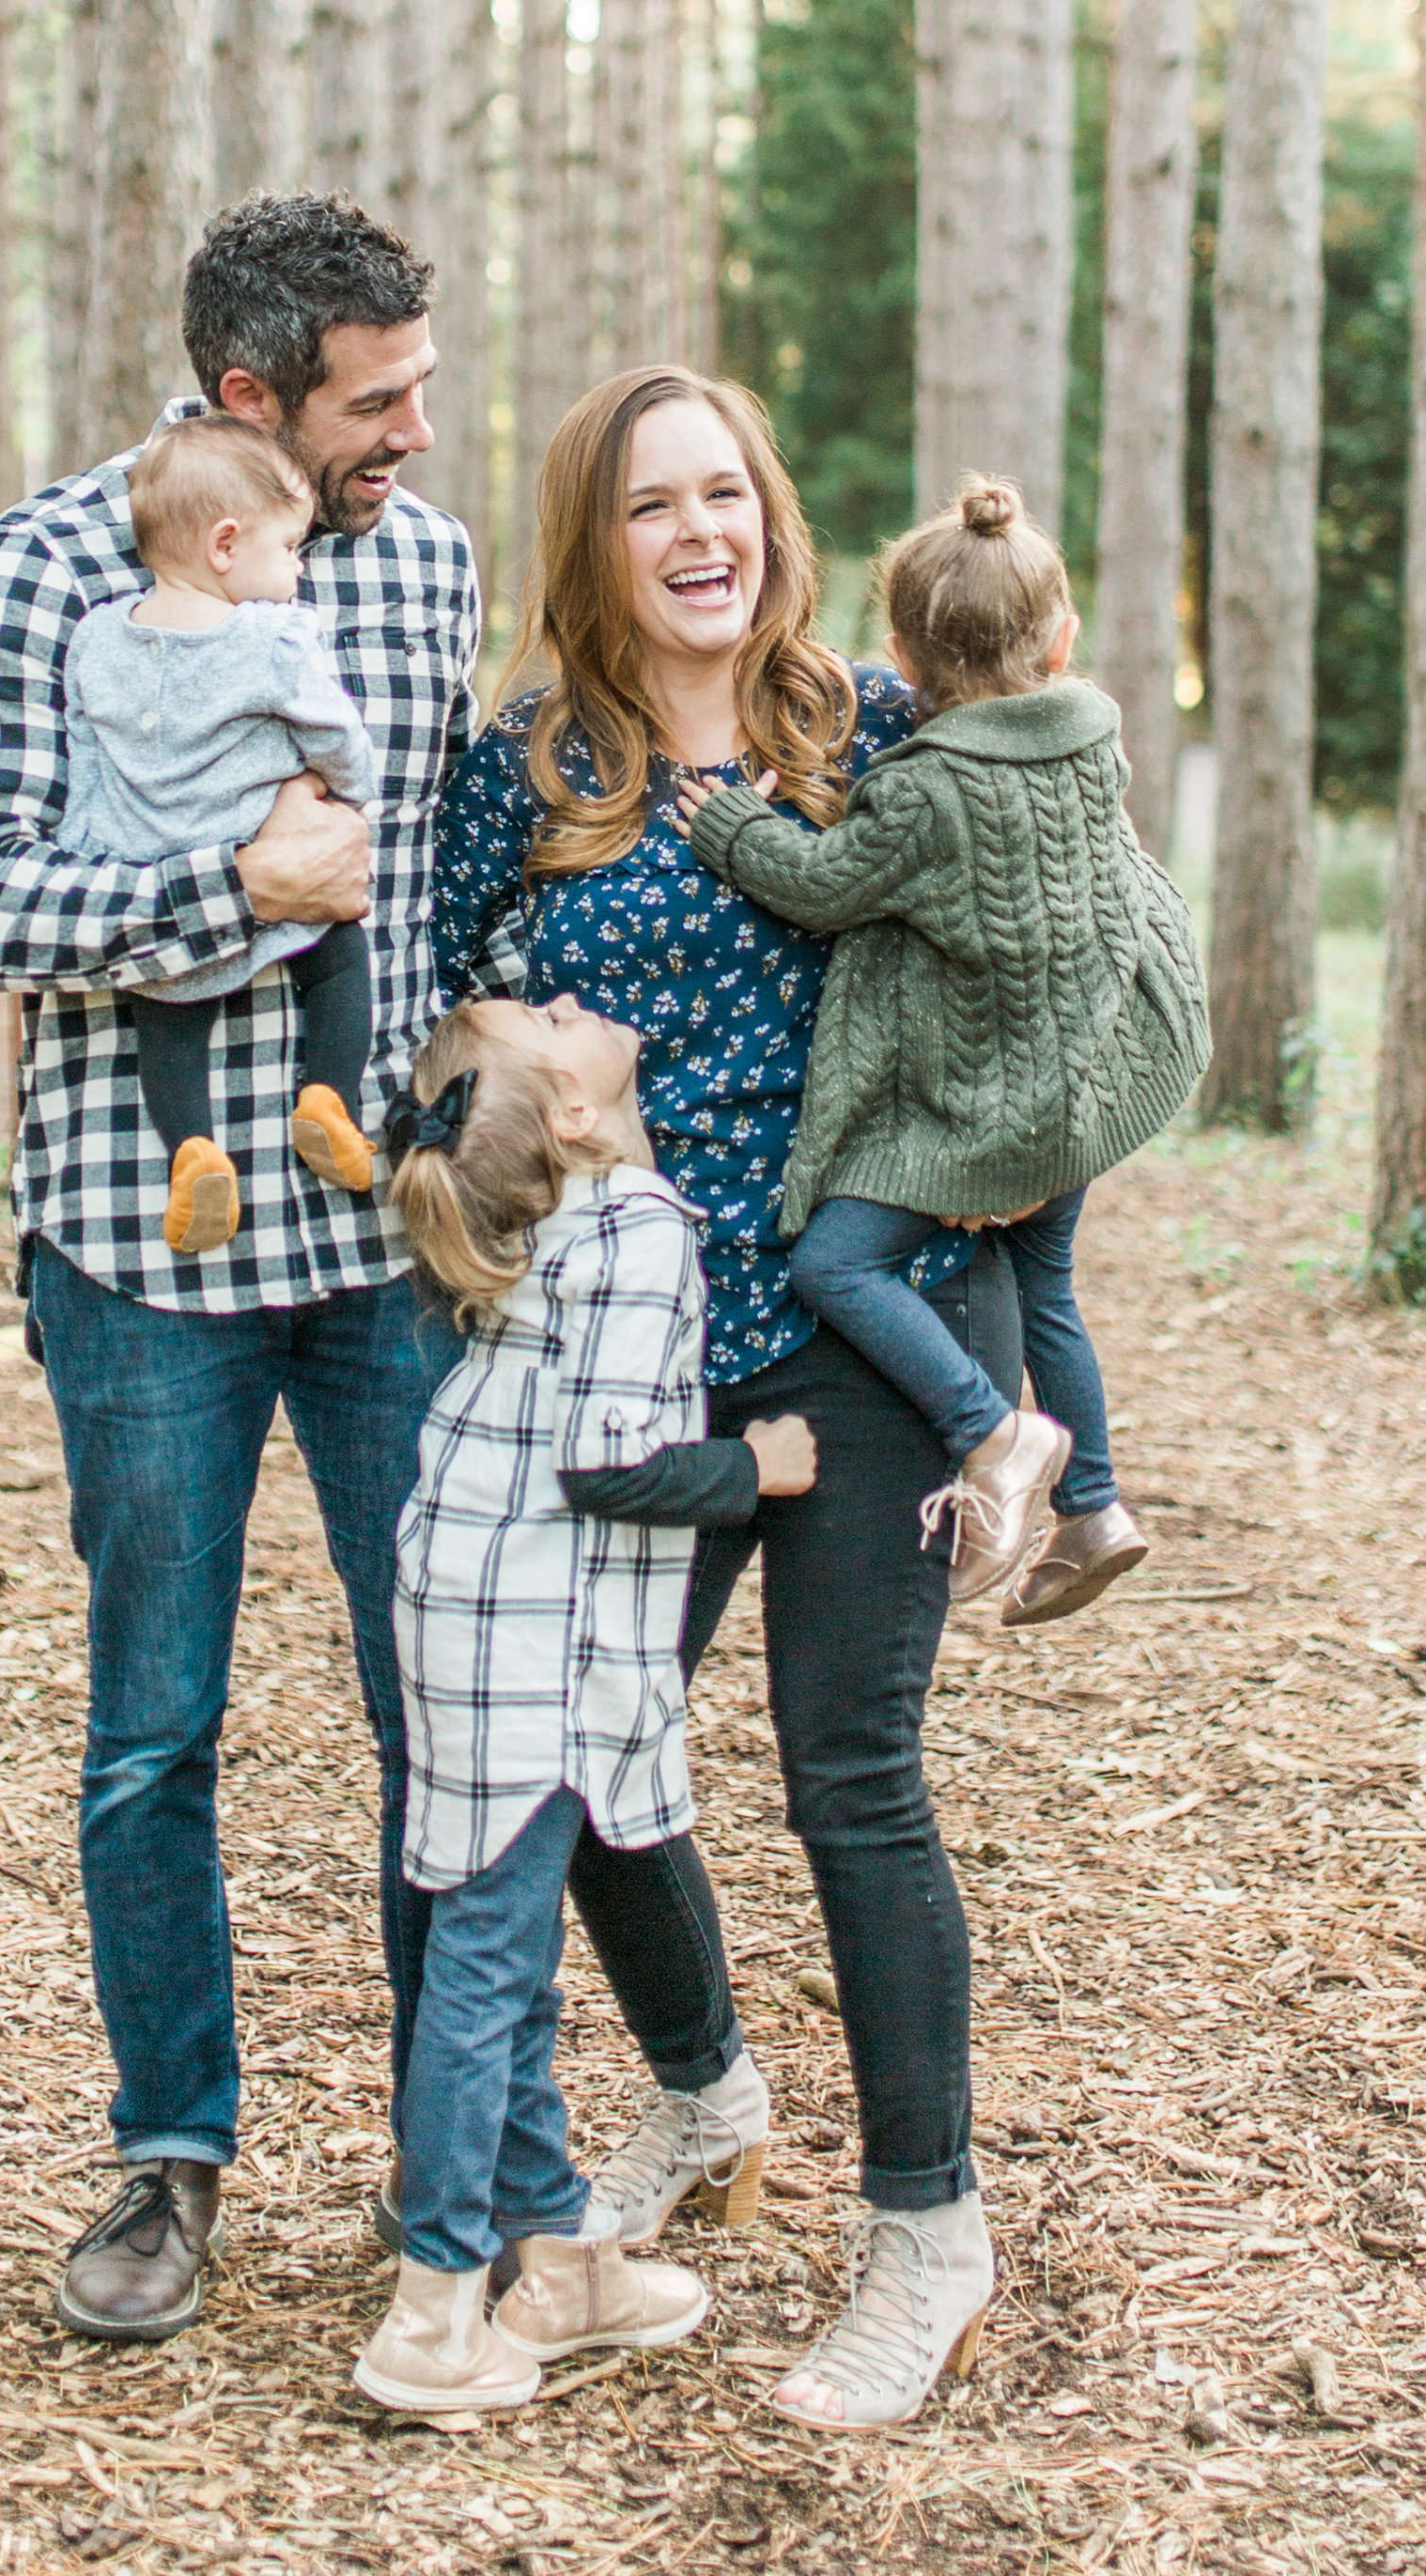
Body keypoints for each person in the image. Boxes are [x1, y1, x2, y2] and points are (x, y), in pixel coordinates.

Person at [0, 193, 480, 2343]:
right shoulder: (49, 560)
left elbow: (429, 878)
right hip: (138, 1246)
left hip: (385, 1244)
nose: (416, 429)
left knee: (444, 1700)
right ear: (249, 395)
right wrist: (225, 880)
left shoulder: (423, 560)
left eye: (424, 382)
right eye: (377, 396)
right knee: (155, 1728)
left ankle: (465, 2147)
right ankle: (174, 2154)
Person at [428, 363, 1018, 2429]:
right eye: (649, 506)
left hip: (870, 1313)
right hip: (635, 1347)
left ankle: (924, 2241)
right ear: (593, 542)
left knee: (846, 1772)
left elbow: (1035, 948)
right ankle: (700, 2094)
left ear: (769, 511)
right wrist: (533, 1057)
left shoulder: (870, 719)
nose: (700, 534)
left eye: (727, 496)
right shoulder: (525, 758)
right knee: (579, 1751)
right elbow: (437, 1008)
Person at [352, 993, 816, 2415]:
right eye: (550, 1017)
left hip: (460, 1598)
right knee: (490, 1970)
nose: (570, 995)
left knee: (490, 1943)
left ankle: (559, 2257)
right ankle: (435, 2311)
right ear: (570, 1111)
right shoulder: (637, 1230)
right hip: (536, 1636)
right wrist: (761, 1469)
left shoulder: (525, 1217)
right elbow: (612, 1463)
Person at [674, 475, 1209, 1625]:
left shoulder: (926, 793)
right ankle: (1098, 1505)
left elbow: (821, 890)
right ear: (1061, 639)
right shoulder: (1089, 746)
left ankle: (992, 1432)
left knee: (832, 1265)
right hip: (1074, 1100)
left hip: (980, 1119)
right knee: (1046, 1283)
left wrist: (729, 821)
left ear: (903, 658)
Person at [62, 408, 380, 1257]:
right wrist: (350, 792)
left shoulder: (96, 637)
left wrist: (101, 846)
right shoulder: (269, 638)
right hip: (268, 863)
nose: (298, 574)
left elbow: (84, 754)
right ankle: (328, 1099)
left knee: (165, 1020)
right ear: (226, 545)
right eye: (289, 551)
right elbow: (334, 731)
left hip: (155, 875)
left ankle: (194, 1153)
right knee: (341, 957)